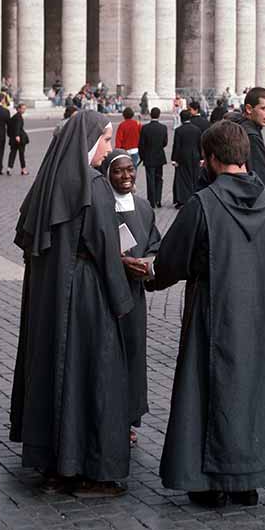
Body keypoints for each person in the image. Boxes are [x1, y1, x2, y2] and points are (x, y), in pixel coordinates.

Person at [152, 120, 265, 506]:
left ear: (211, 158)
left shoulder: (203, 203)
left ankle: (209, 483)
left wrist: (147, 277)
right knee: (254, 392)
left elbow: (170, 261)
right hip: (260, 314)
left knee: (207, 392)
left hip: (213, 312)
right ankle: (248, 480)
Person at [10, 111, 134, 498]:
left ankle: (52, 466)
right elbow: (106, 249)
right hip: (85, 296)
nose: (110, 148)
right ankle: (87, 469)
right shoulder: (94, 186)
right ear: (89, 141)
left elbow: (26, 237)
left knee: (52, 372)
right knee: (91, 377)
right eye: (107, 139)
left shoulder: (47, 181)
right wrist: (122, 299)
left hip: (47, 294)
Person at [101, 150, 161, 446]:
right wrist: (119, 262)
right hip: (106, 294)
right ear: (107, 176)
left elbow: (154, 243)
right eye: (118, 171)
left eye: (130, 170)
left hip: (135, 295)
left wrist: (148, 263)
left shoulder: (143, 206)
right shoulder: (101, 207)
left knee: (134, 356)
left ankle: (127, 419)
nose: (126, 176)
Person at [239, 87, 265, 191]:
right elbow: (262, 176)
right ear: (249, 109)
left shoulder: (240, 127)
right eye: (264, 109)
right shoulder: (251, 136)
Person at [138, 107, 168, 208]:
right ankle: (158, 200)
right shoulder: (163, 128)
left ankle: (151, 201)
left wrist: (142, 156)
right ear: (159, 115)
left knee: (150, 179)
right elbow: (165, 142)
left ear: (151, 115)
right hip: (159, 156)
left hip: (149, 157)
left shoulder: (145, 128)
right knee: (159, 178)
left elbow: (141, 145)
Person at [171, 110, 201, 207]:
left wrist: (174, 159)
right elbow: (199, 144)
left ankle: (182, 199)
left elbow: (177, 145)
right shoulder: (197, 129)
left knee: (182, 178)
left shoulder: (179, 130)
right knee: (194, 176)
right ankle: (194, 196)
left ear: (181, 118)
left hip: (182, 156)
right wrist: (201, 157)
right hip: (195, 155)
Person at [7, 104, 30, 176]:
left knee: (12, 153)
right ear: (18, 109)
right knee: (21, 154)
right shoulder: (18, 117)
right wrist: (17, 136)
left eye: (25, 109)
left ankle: (9, 168)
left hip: (13, 139)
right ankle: (23, 169)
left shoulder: (14, 117)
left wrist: (11, 135)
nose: (24, 110)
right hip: (20, 138)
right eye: (23, 109)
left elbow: (9, 127)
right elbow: (17, 126)